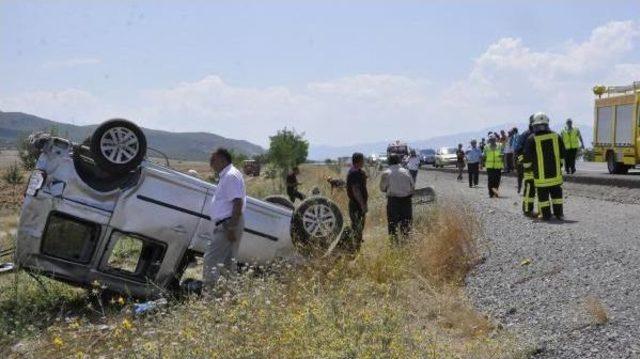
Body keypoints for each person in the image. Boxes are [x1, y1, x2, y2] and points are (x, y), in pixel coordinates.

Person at [203, 148, 246, 288]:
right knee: (228, 263)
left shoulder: (230, 176)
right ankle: (229, 297)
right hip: (229, 223)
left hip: (228, 224)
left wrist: (232, 227)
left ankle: (210, 295)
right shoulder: (228, 175)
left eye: (212, 160)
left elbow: (237, 202)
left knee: (211, 260)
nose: (211, 164)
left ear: (222, 159)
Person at [523, 112, 565, 220]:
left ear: (534, 125)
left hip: (541, 178)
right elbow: (562, 155)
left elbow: (527, 159)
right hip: (555, 176)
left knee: (543, 198)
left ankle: (546, 215)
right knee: (557, 197)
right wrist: (559, 166)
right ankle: (559, 214)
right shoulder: (557, 136)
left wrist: (528, 169)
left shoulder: (531, 139)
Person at [379, 154, 415, 242]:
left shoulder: (386, 173)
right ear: (399, 161)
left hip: (393, 201)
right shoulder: (406, 171)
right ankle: (406, 243)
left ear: (389, 161)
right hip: (406, 201)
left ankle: (394, 245)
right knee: (406, 224)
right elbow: (412, 186)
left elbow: (382, 188)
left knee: (393, 225)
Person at [346, 152, 368, 254]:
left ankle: (355, 249)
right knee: (357, 228)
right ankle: (354, 251)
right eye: (363, 160)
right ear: (359, 161)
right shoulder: (354, 173)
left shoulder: (356, 171)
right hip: (357, 205)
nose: (364, 162)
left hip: (356, 205)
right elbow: (356, 190)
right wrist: (363, 205)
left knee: (357, 228)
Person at [516, 116, 536, 215]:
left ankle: (542, 211)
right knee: (529, 188)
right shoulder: (525, 134)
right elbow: (518, 150)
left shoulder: (539, 133)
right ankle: (527, 210)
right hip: (529, 167)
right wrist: (524, 162)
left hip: (539, 166)